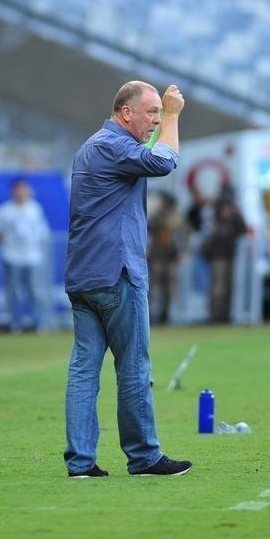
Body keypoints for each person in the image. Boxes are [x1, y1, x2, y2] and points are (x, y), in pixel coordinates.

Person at [63, 80, 192, 478]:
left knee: (84, 370)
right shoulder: (114, 146)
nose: (156, 120)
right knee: (133, 368)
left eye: (159, 113)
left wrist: (162, 118)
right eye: (151, 112)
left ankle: (81, 462)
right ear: (125, 113)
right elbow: (164, 163)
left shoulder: (93, 146)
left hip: (84, 275)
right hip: (116, 273)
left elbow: (150, 156)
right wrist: (174, 116)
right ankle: (144, 456)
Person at [0, 179, 51, 332]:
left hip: (32, 257)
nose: (21, 193)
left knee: (34, 291)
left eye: (24, 189)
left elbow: (43, 231)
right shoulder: (5, 210)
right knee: (13, 291)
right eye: (18, 190)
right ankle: (14, 322)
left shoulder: (35, 208)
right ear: (13, 192)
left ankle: (37, 321)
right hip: (12, 256)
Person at [200, 189, 247, 323]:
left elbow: (243, 229)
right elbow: (206, 240)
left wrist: (237, 214)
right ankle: (215, 315)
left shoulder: (234, 220)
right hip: (217, 258)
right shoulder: (213, 220)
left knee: (229, 287)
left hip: (230, 257)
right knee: (218, 287)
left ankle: (226, 315)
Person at [147, 192, 183, 325]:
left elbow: (183, 234)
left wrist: (182, 251)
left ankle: (165, 315)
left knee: (170, 288)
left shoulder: (177, 217)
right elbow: (150, 227)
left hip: (171, 257)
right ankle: (151, 314)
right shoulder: (158, 215)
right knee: (154, 287)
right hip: (158, 256)